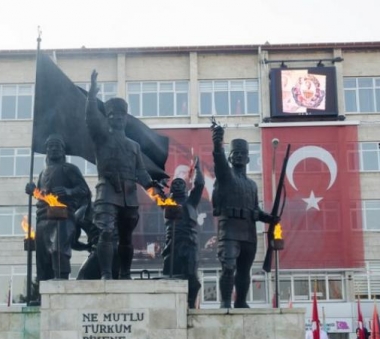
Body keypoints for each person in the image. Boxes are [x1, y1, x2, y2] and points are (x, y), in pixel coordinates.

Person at [86, 70, 164, 280]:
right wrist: (92, 95)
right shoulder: (101, 138)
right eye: (113, 115)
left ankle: (126, 273)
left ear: (125, 119)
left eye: (121, 116)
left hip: (129, 195)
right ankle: (106, 273)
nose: (117, 119)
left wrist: (153, 187)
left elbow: (141, 171)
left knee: (127, 238)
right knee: (106, 233)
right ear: (108, 118)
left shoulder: (134, 146)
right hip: (108, 192)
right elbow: (91, 118)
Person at [210, 120, 275, 308]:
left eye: (243, 154)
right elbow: (219, 160)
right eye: (235, 154)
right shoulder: (226, 176)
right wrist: (217, 143)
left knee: (245, 270)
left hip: (248, 233)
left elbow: (256, 211)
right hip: (229, 231)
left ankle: (241, 301)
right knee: (229, 267)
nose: (239, 156)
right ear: (230, 158)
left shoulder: (252, 185)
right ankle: (225, 302)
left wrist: (269, 218)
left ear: (248, 159)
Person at [25, 134, 90, 281]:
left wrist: (68, 191)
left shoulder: (69, 169)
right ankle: (42, 290)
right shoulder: (42, 173)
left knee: (58, 249)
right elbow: (43, 196)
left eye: (57, 146)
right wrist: (33, 191)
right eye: (50, 147)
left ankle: (61, 283)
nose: (53, 149)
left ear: (63, 150)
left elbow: (84, 190)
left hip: (62, 217)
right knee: (42, 257)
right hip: (43, 218)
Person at [162, 157, 204, 308]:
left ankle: (191, 305)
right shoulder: (166, 202)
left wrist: (199, 168)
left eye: (181, 182)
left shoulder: (191, 201)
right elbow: (153, 191)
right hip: (172, 244)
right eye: (175, 182)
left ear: (186, 187)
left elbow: (200, 185)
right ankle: (172, 307)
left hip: (189, 243)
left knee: (191, 275)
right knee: (169, 275)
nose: (178, 184)